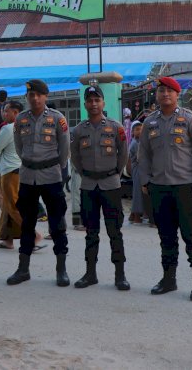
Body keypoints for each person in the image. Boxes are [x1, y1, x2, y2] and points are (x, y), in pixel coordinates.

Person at [138, 76, 192, 301]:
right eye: (161, 91)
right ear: (157, 95)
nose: (165, 94)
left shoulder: (189, 119)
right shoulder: (149, 122)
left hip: (186, 188)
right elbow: (144, 156)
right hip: (159, 188)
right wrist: (145, 181)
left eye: (169, 90)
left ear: (177, 94)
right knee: (166, 237)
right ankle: (168, 279)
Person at [6, 79, 71, 287]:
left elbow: (65, 149)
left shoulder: (57, 119)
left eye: (38, 95)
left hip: (51, 176)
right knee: (27, 224)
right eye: (31, 95)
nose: (34, 98)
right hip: (27, 177)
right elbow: (18, 148)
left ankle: (61, 270)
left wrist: (54, 168)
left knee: (57, 224)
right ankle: (23, 269)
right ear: (27, 97)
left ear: (46, 96)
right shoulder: (21, 120)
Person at [70, 86, 130, 290]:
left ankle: (120, 275)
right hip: (88, 185)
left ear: (103, 103)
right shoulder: (79, 130)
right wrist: (86, 172)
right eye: (90, 100)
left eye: (97, 100)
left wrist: (114, 173)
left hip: (110, 185)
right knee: (91, 232)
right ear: (85, 104)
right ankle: (90, 274)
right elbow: (75, 157)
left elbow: (123, 154)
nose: (94, 104)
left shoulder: (116, 127)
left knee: (115, 231)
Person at [0, 100, 44, 250]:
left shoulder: (9, 128)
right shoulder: (28, 126)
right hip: (22, 169)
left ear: (15, 113)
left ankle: (33, 234)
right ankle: (7, 239)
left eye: (6, 111)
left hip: (10, 171)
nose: (4, 113)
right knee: (9, 206)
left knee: (13, 206)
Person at [127, 120, 146, 224]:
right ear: (132, 132)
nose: (140, 131)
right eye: (137, 130)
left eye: (141, 129)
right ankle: (136, 216)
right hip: (138, 170)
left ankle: (133, 214)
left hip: (140, 169)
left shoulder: (139, 142)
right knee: (138, 193)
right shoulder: (135, 143)